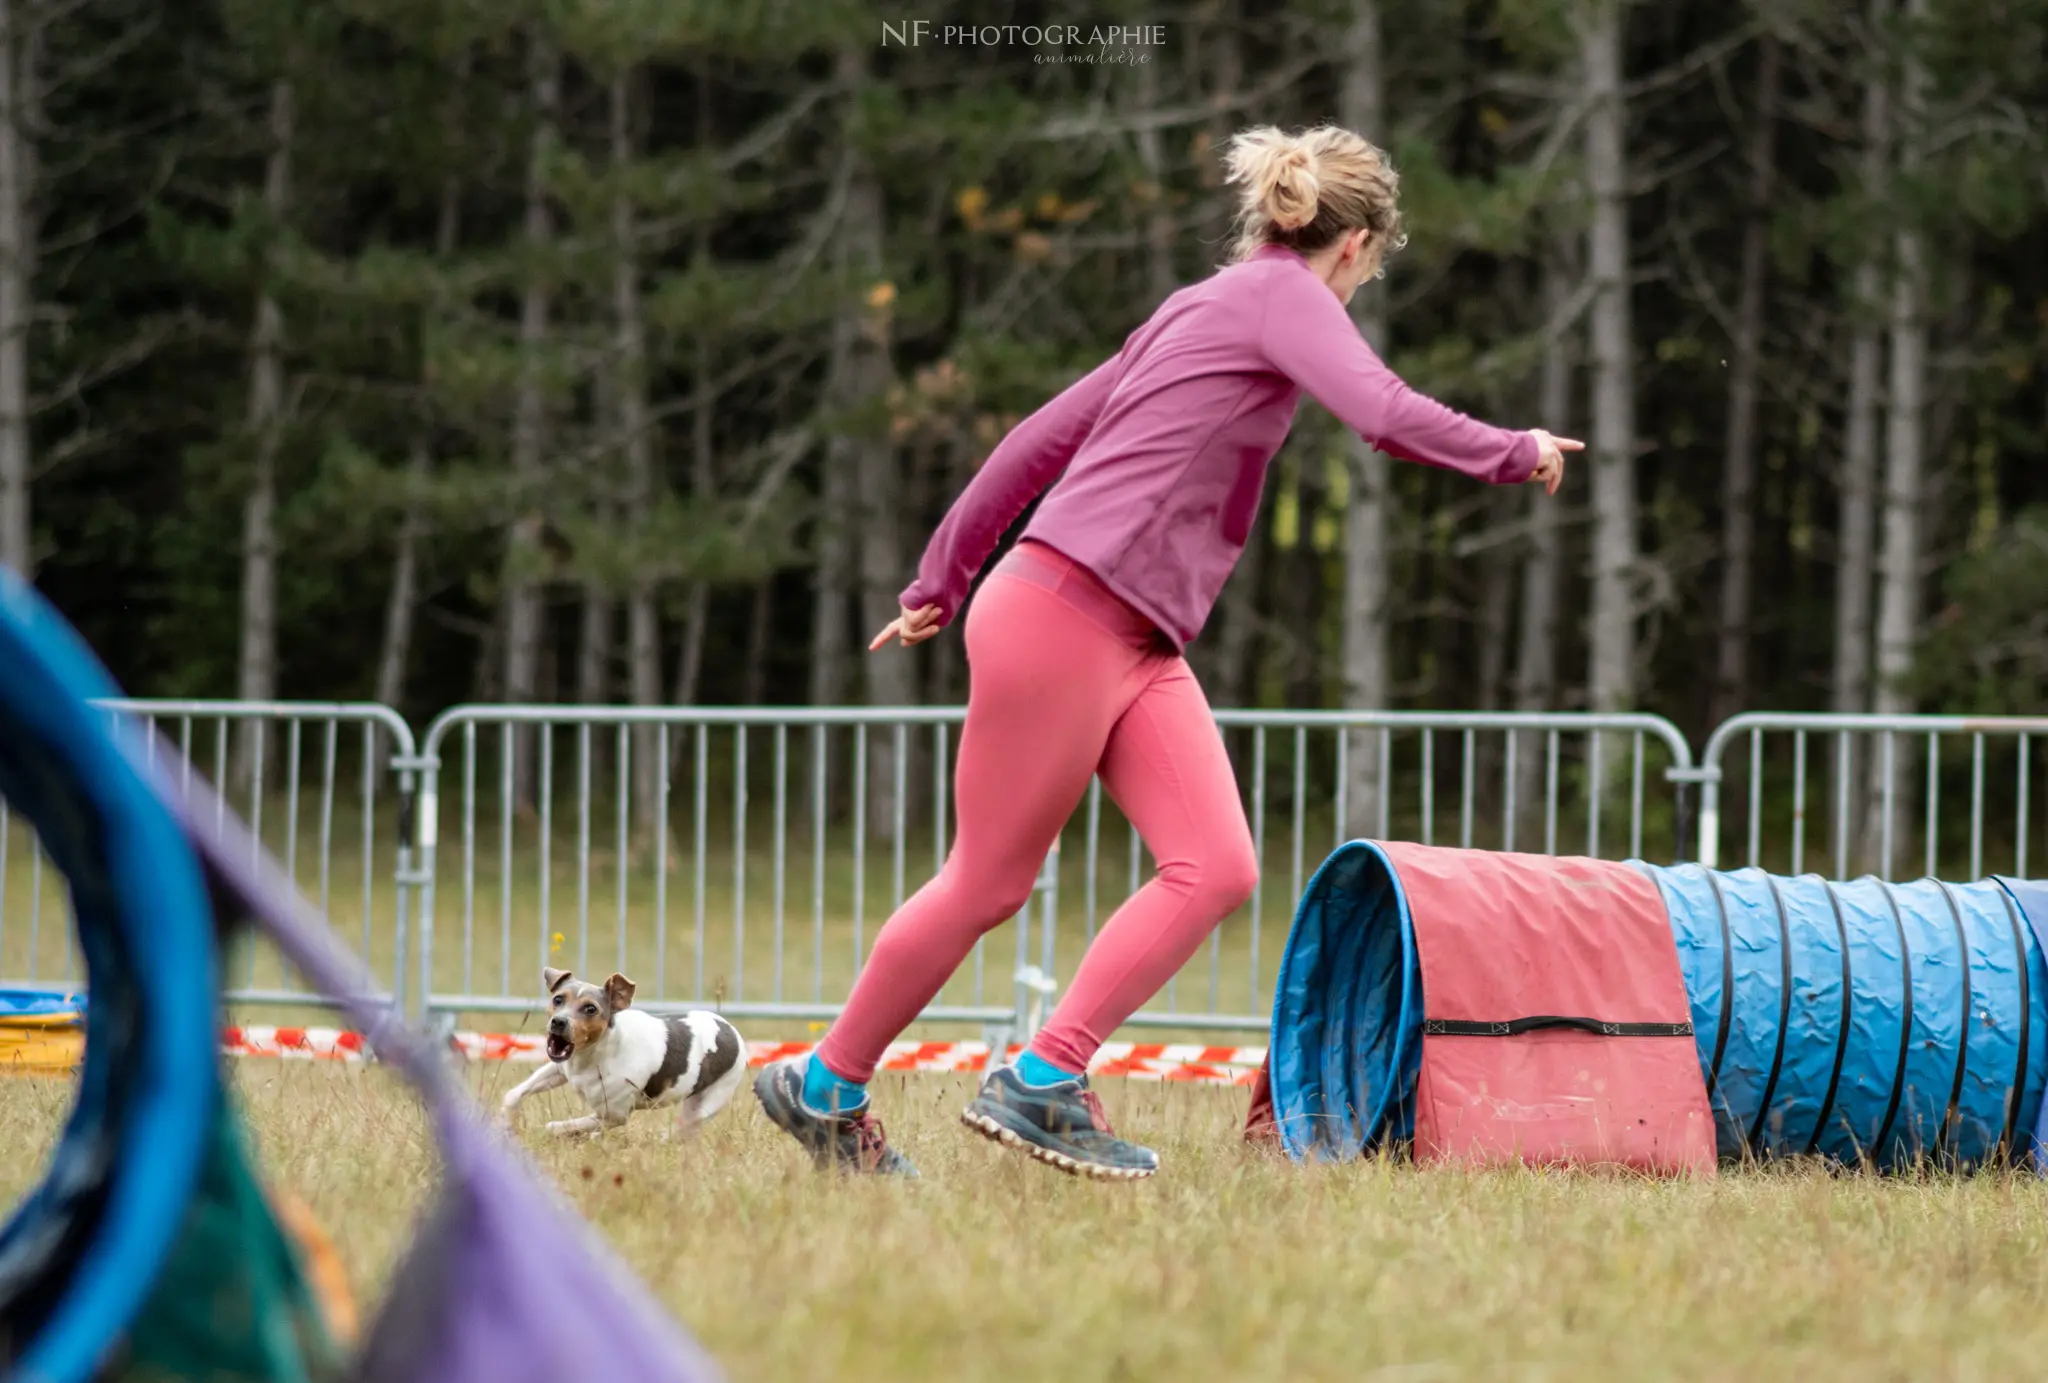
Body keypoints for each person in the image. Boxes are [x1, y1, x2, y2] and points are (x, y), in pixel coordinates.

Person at [754, 123, 1578, 1181]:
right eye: (1370, 263)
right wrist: (1511, 450)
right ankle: (825, 1087)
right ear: (1357, 246)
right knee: (986, 883)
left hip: (1134, 633)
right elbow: (1376, 411)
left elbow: (1035, 441)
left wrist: (941, 577)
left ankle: (1044, 1077)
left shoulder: (1202, 305)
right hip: (1065, 610)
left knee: (1216, 865)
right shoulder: (1283, 299)